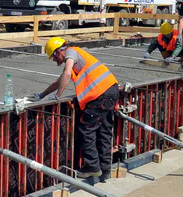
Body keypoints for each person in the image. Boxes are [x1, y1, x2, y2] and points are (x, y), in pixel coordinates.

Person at [33, 37, 119, 183]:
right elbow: (58, 81)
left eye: (54, 57)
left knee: (86, 130)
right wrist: (42, 95)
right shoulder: (74, 59)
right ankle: (105, 170)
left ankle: (92, 166)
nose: (55, 61)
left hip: (99, 95)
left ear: (58, 51)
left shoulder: (71, 52)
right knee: (104, 131)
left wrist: (58, 96)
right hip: (110, 90)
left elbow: (66, 74)